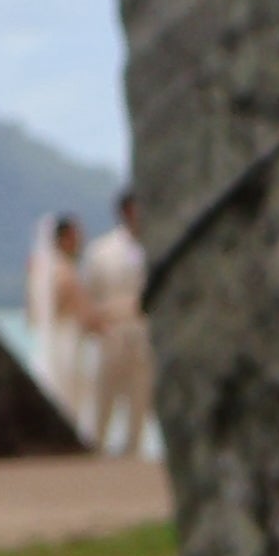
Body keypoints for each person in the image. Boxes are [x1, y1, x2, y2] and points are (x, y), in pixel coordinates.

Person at [78, 193, 156, 453]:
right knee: (103, 398)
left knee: (139, 400)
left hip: (143, 333)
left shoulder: (154, 247)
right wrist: (96, 326)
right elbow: (88, 295)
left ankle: (133, 453)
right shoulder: (101, 251)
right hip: (111, 331)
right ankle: (95, 450)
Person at [28, 208, 90, 425]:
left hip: (50, 343)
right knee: (70, 399)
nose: (80, 241)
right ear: (63, 239)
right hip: (69, 344)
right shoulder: (66, 273)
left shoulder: (39, 271)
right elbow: (85, 315)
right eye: (75, 236)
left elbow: (32, 317)